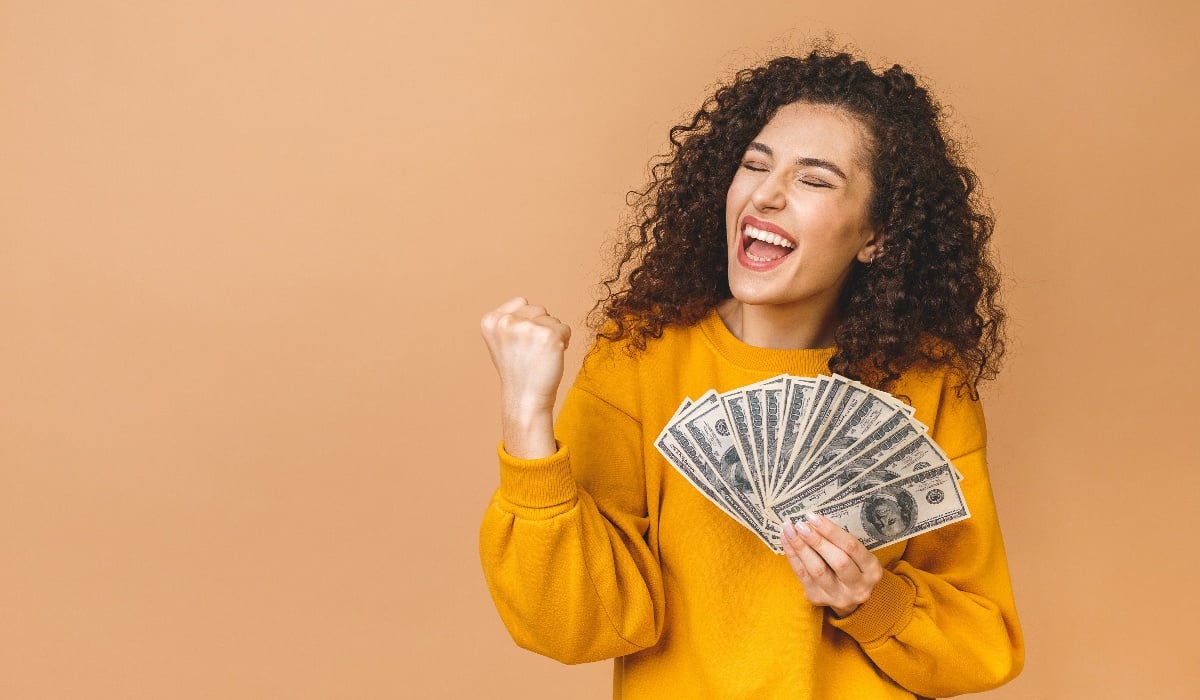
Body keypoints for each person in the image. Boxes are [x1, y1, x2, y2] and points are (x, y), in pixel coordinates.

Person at [478, 47, 1023, 698]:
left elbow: (983, 647)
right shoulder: (643, 354)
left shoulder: (926, 383)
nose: (766, 194)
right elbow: (576, 625)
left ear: (876, 236)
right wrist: (527, 420)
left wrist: (870, 600)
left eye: (814, 180)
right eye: (754, 165)